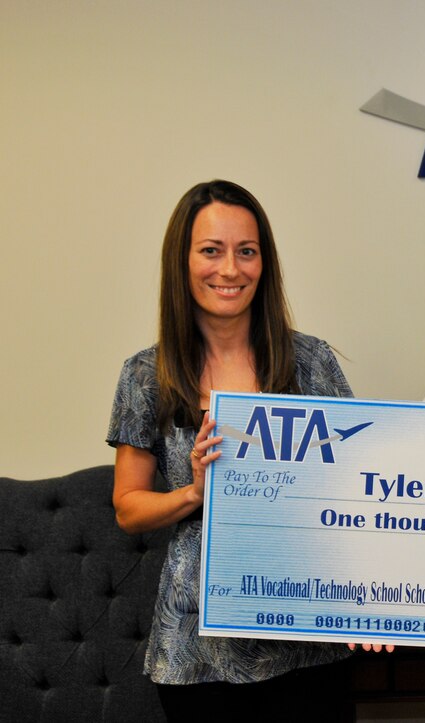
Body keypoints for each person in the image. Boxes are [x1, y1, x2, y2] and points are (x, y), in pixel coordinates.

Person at [106, 179, 387, 721]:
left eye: (247, 252)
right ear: (182, 262)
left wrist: (372, 599)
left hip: (308, 633)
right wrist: (194, 494)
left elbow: (357, 491)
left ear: (265, 262)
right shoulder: (145, 375)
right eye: (211, 251)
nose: (230, 270)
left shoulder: (311, 362)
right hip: (197, 647)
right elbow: (127, 508)